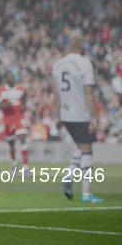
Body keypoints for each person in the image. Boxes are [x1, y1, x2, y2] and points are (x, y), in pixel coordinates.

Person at [51, 32, 103, 202]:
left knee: (80, 148)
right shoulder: (84, 64)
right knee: (87, 152)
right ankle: (87, 193)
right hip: (81, 114)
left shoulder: (58, 65)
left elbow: (56, 94)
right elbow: (89, 93)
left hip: (66, 115)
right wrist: (94, 116)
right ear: (81, 45)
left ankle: (69, 175)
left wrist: (58, 116)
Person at [0, 71, 31, 178]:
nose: (12, 78)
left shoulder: (20, 89)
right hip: (8, 119)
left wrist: (24, 105)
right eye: (9, 77)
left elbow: (24, 98)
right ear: (5, 79)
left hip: (19, 117)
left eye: (13, 76)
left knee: (22, 137)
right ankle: (15, 163)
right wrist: (5, 105)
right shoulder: (1, 91)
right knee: (11, 143)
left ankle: (26, 168)